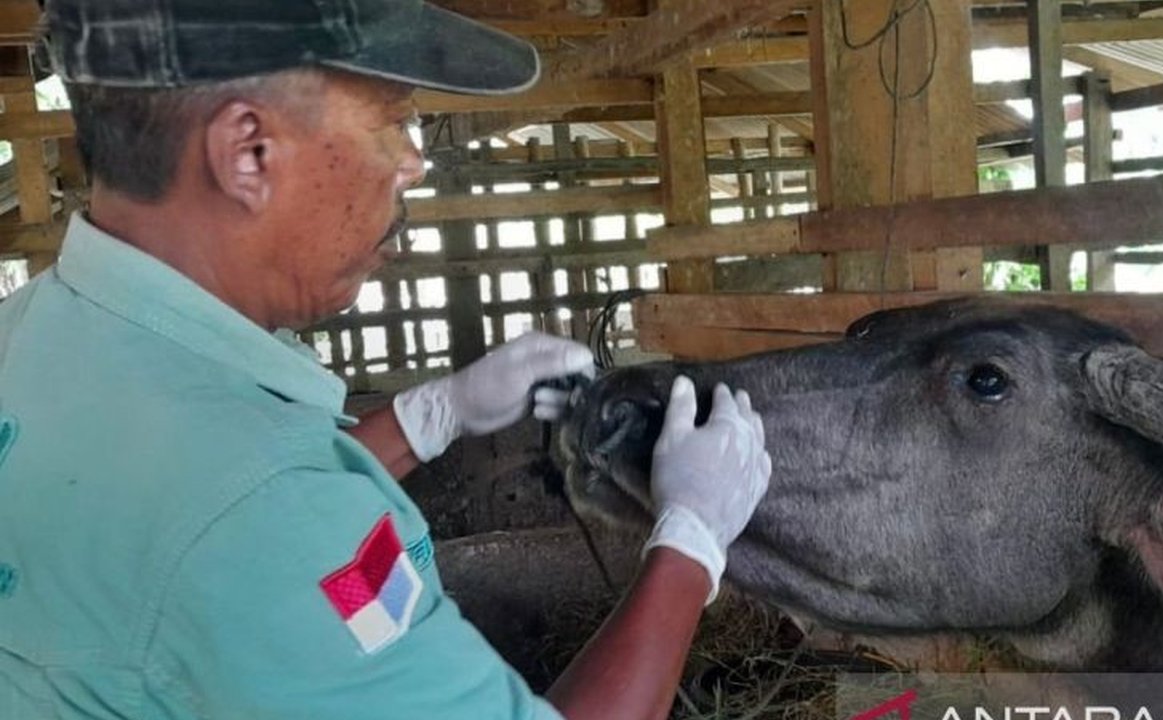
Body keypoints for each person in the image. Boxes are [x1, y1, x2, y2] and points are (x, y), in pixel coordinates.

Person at [0, 1, 772, 719]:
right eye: (390, 122)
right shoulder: (266, 523)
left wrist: (429, 416)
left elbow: (217, 515)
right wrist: (690, 544)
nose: (412, 162)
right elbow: (249, 522)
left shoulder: (34, 332)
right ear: (249, 152)